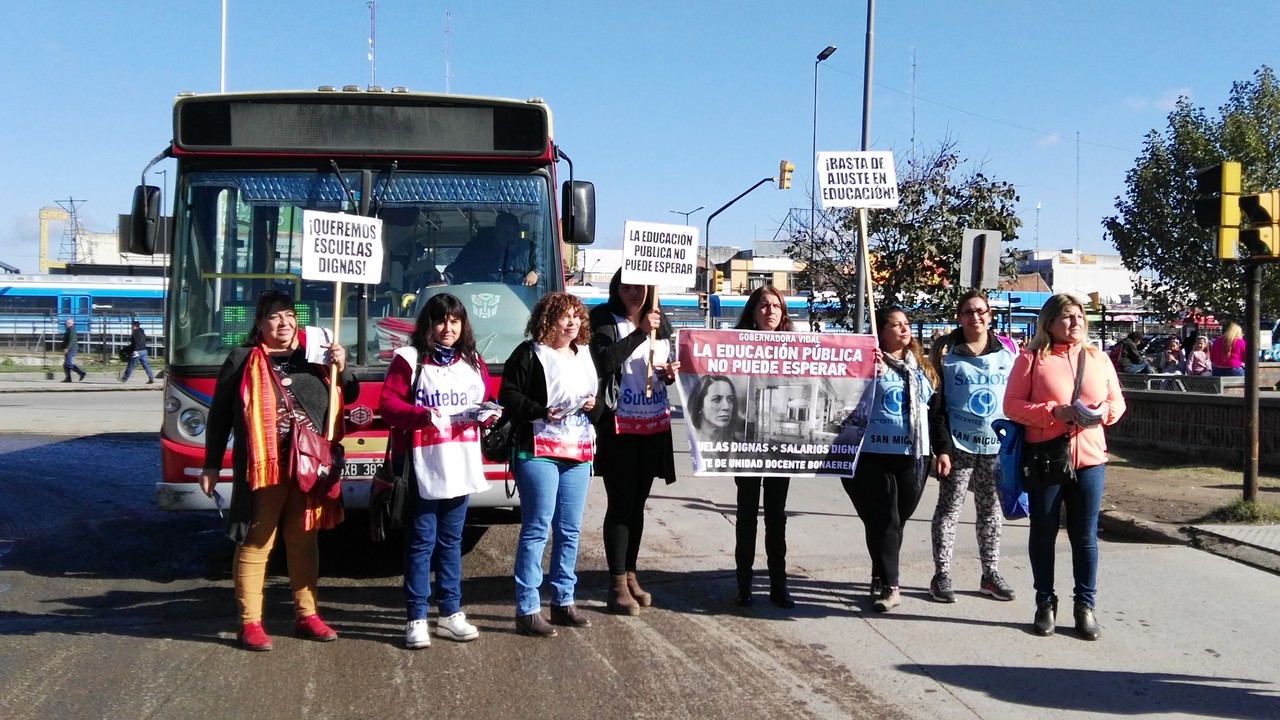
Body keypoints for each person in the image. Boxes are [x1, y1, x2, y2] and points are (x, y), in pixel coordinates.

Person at [197, 290, 358, 651]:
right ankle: (250, 623)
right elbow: (220, 415)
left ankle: (307, 615)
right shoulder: (241, 360)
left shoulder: (316, 354)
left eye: (289, 315)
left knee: (304, 541)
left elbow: (349, 392)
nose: (283, 323)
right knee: (257, 541)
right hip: (263, 468)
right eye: (274, 316)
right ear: (259, 324)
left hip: (309, 467)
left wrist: (342, 365)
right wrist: (211, 464)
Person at [1004, 293, 1125, 641]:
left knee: (1084, 536)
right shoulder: (1031, 359)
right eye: (1068, 317)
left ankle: (1085, 606)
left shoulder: (1098, 357)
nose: (1076, 323)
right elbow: (1011, 405)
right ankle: (1045, 602)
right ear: (1050, 323)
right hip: (1046, 457)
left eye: (1079, 317)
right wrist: (1053, 412)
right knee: (1043, 532)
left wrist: (1103, 413)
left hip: (1090, 459)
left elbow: (1117, 403)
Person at [379, 293, 494, 649]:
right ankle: (416, 617)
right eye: (441, 320)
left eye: (455, 321)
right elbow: (388, 405)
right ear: (428, 324)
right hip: (422, 464)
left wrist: (489, 413)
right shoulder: (409, 359)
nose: (448, 328)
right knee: (421, 541)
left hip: (460, 461)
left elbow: (485, 398)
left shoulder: (473, 360)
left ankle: (450, 613)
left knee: (451, 541)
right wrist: (421, 415)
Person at [500, 291, 601, 637]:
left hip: (578, 450)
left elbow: (599, 403)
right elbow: (508, 395)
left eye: (576, 316)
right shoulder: (530, 353)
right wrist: (540, 411)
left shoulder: (584, 354)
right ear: (547, 320)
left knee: (569, 530)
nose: (572, 322)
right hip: (538, 450)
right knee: (536, 529)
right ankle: (528, 608)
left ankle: (563, 601)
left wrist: (594, 406)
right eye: (564, 316)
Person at [589, 271, 680, 615]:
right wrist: (640, 332)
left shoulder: (660, 320)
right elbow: (604, 362)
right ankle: (615, 582)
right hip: (619, 425)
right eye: (625, 287)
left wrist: (669, 374)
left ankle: (630, 573)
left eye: (638, 287)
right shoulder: (603, 318)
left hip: (653, 424)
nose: (632, 293)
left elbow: (659, 371)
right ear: (615, 289)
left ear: (649, 289)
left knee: (638, 504)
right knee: (621, 501)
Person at [842, 307, 943, 613]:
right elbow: (844, 397)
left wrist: (943, 450)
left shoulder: (922, 367)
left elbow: (937, 411)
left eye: (906, 324)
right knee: (886, 519)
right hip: (874, 454)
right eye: (896, 325)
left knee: (897, 521)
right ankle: (891, 586)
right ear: (881, 332)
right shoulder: (867, 362)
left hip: (913, 456)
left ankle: (880, 573)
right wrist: (863, 372)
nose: (903, 329)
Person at [927, 291, 1017, 605]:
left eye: (980, 311)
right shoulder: (946, 352)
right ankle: (941, 574)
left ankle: (990, 574)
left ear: (989, 315)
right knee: (949, 510)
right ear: (959, 317)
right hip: (958, 445)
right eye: (968, 312)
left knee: (990, 511)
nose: (975, 317)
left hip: (996, 446)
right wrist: (941, 448)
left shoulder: (1008, 350)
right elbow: (937, 405)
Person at [730, 285, 797, 609]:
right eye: (764, 305)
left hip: (780, 447)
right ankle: (743, 585)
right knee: (746, 516)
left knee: (776, 517)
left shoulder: (797, 348)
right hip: (746, 444)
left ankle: (778, 585)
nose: (770, 311)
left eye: (776, 306)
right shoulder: (734, 345)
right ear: (753, 312)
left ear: (783, 313)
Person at [445, 212, 539, 286]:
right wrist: (444, 278)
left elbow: (544, 265)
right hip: (480, 298)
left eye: (514, 233)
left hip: (518, 300)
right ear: (496, 232)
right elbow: (458, 268)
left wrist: (536, 272)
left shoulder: (528, 250)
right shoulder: (476, 250)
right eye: (506, 233)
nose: (511, 238)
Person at [687, 375, 740, 444]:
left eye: (730, 399)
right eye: (717, 399)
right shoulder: (687, 442)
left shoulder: (739, 447)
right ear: (700, 405)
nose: (726, 407)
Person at [61, 318, 86, 383]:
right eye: (66, 323)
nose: (66, 324)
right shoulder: (68, 330)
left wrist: (67, 348)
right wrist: (63, 347)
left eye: (68, 323)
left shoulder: (71, 329)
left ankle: (81, 372)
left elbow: (71, 340)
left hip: (71, 348)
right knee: (65, 364)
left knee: (67, 363)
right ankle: (68, 378)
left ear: (72, 324)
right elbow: (66, 340)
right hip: (69, 348)